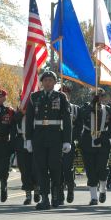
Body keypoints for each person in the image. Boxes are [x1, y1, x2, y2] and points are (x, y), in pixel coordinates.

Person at [25, 71, 72, 210]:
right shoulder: (35, 97)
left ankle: (56, 196)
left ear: (55, 82)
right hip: (39, 136)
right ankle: (45, 198)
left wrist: (66, 140)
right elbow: (29, 120)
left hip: (55, 136)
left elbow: (67, 120)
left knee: (55, 167)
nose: (47, 82)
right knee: (41, 168)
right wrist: (28, 139)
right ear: (41, 82)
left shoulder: (61, 97)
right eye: (45, 80)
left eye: (50, 80)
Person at [77, 88, 111, 205]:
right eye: (94, 96)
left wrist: (103, 137)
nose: (98, 98)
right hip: (88, 141)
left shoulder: (107, 109)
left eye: (101, 96)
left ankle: (102, 190)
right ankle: (93, 197)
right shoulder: (85, 107)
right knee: (91, 170)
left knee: (102, 169)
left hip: (103, 141)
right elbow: (82, 116)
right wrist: (92, 106)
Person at [13, 110, 40, 205]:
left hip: (35, 141)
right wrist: (22, 112)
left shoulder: (37, 110)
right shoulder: (18, 113)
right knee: (24, 170)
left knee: (36, 168)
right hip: (21, 143)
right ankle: (28, 195)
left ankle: (37, 189)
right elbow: (14, 121)